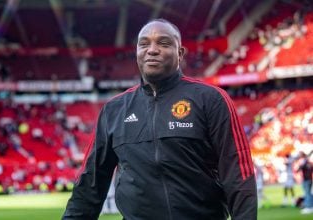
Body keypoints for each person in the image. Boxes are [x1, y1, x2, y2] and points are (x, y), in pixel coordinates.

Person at [62, 18, 257, 220]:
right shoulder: (114, 110)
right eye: (144, 44)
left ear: (180, 53)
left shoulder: (211, 100)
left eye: (163, 43)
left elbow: (238, 176)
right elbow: (90, 184)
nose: (152, 50)